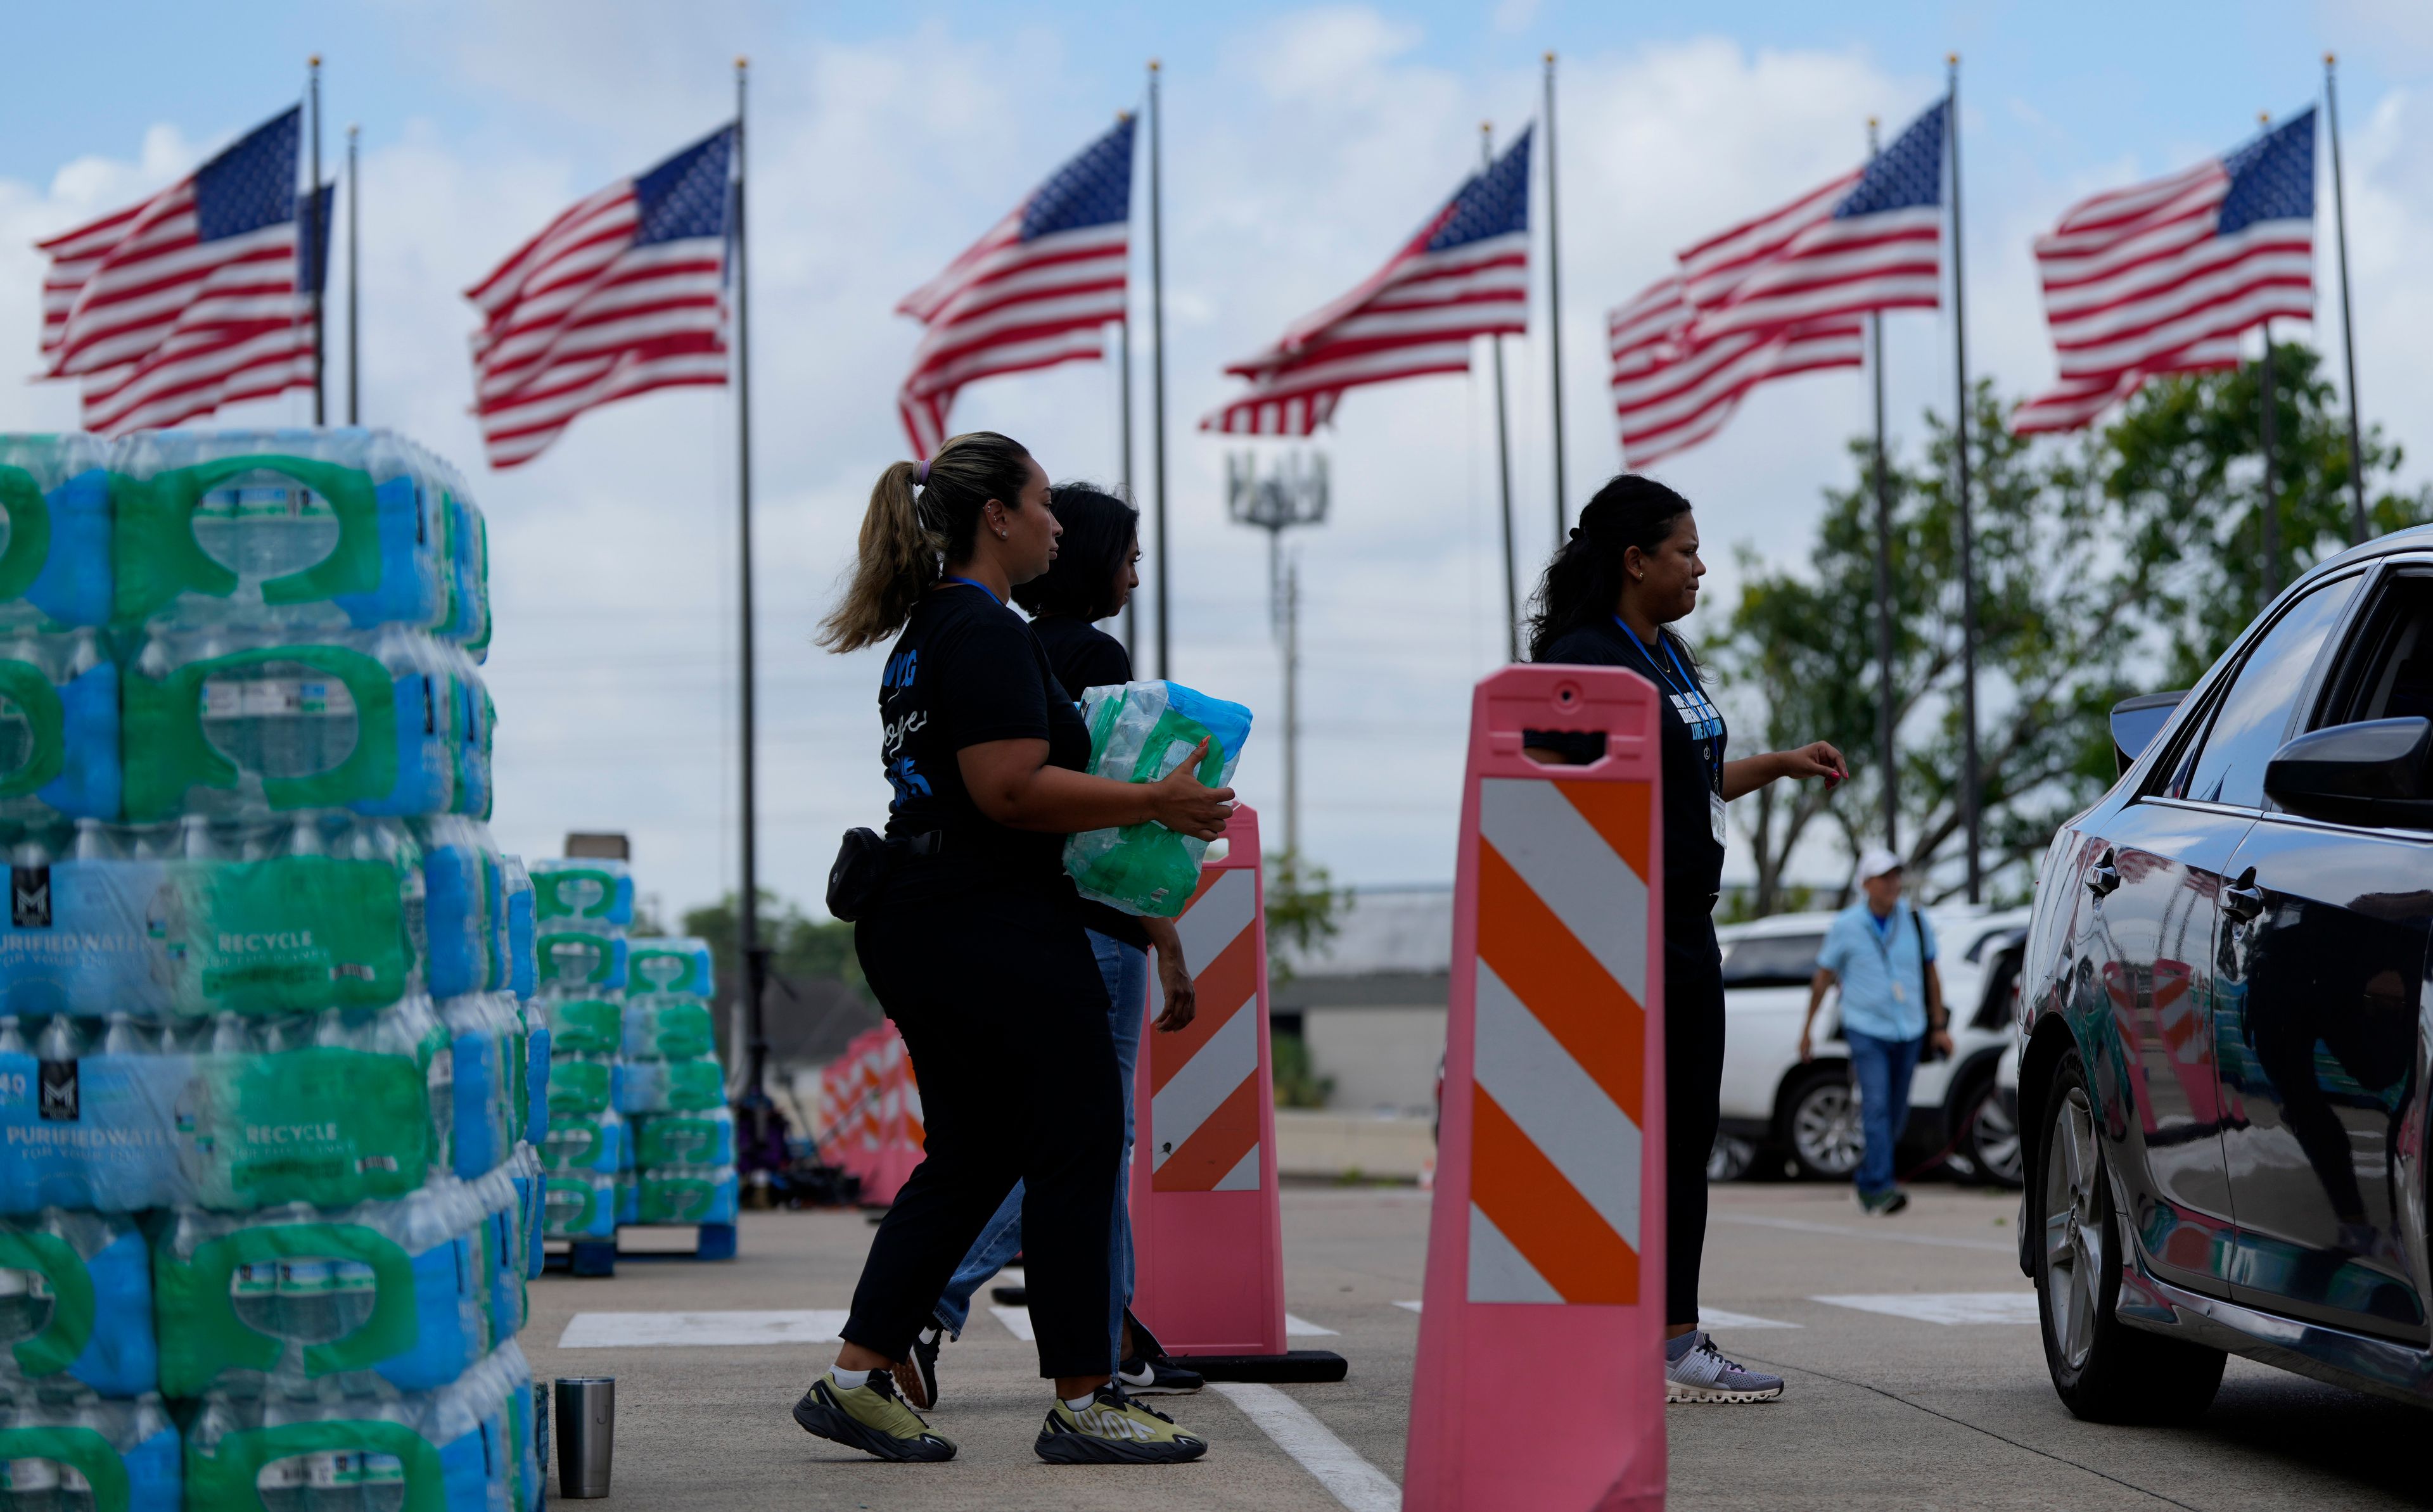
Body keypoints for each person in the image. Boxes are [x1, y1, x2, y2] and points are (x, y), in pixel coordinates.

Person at [800, 432, 1229, 1465]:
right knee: (1080, 1138)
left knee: (976, 1155)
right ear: (996, 514)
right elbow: (1007, 789)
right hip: (984, 916)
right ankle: (1087, 1397)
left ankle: (859, 1376)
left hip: (928, 914)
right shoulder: (981, 631)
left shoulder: (928, 632)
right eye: (1044, 503)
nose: (1058, 523)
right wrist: (1156, 798)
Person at [1523, 473, 1847, 1406]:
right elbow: (1548, 799)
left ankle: (1669, 1336)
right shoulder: (1585, 662)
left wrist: (1779, 763)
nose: (1701, 565)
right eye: (1685, 550)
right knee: (1630, 1137)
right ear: (1635, 561)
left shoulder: (1667, 657)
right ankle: (1643, 1340)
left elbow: (1687, 779)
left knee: (1683, 1133)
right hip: (1623, 932)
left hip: (1685, 925)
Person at [895, 481, 1207, 1411]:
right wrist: (1165, 933)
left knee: (1067, 1139)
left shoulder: (1010, 642)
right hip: (1096, 924)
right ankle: (932, 1297)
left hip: (1012, 914)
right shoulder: (1092, 656)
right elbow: (1100, 817)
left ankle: (1112, 1330)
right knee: (1081, 1142)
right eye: (1130, 555)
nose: (1134, 573)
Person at [1799, 848, 1950, 1216]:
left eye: (1896, 876)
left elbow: (1931, 974)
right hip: (1865, 1029)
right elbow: (1822, 979)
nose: (1892, 884)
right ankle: (1883, 1187)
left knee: (1896, 1113)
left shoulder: (1915, 921)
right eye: (1884, 878)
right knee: (1877, 1106)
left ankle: (1868, 1180)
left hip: (1910, 1029)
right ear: (1866, 884)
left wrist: (1939, 1025)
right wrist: (1808, 1029)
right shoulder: (1846, 925)